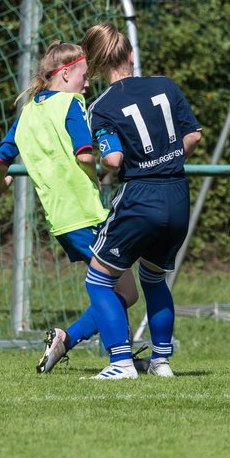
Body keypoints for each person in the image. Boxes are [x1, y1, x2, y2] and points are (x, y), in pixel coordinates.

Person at [0, 41, 139, 373]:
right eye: (84, 76)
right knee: (125, 291)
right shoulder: (71, 103)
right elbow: (84, 153)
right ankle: (118, 358)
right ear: (66, 72)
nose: (87, 84)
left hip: (61, 219)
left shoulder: (29, 111)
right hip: (85, 213)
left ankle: (71, 341)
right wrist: (103, 171)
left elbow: (1, 157)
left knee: (121, 288)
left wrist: (2, 183)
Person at [81, 22, 202, 379]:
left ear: (100, 65)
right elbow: (193, 134)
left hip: (141, 195)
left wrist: (105, 160)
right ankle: (162, 361)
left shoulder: (102, 106)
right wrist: (167, 159)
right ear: (131, 55)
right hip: (178, 194)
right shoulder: (165, 86)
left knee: (99, 279)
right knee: (153, 278)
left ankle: (121, 362)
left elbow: (115, 160)